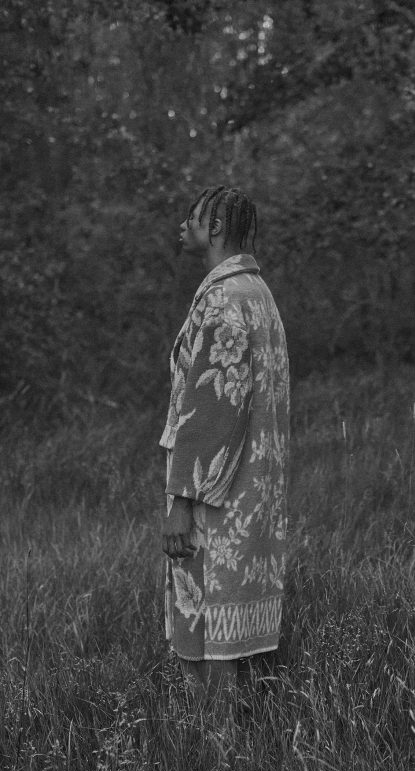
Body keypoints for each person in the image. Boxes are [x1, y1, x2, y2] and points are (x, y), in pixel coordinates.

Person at [159, 185, 289, 707]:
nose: (181, 225)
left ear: (214, 228)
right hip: (253, 494)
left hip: (217, 499)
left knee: (210, 643)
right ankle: (234, 756)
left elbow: (211, 411)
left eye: (190, 218)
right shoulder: (258, 296)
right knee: (233, 652)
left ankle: (212, 765)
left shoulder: (224, 301)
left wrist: (181, 503)